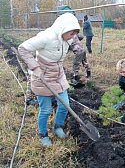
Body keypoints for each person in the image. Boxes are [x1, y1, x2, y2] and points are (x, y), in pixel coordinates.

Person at [18, 13, 81, 147]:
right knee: (45, 110)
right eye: (72, 33)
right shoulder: (46, 37)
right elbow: (22, 49)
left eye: (76, 33)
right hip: (42, 76)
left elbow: (77, 46)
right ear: (63, 29)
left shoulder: (69, 37)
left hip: (58, 75)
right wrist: (35, 68)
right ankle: (43, 134)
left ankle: (58, 127)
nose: (73, 36)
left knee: (65, 105)